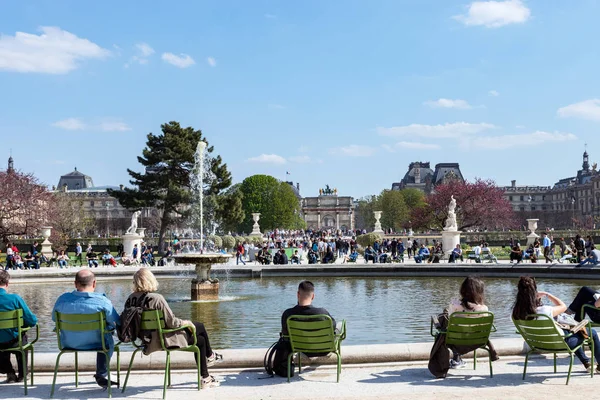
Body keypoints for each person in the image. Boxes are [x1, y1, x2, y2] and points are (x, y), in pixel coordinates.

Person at [124, 268, 221, 388]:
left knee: (200, 340)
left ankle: (206, 376)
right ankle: (210, 358)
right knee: (199, 327)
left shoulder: (130, 299)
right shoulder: (156, 298)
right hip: (161, 341)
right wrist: (187, 323)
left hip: (144, 341)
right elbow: (172, 322)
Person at [513, 276, 600, 372]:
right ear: (535, 292)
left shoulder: (515, 313)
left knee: (574, 331)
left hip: (538, 344)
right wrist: (547, 294)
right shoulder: (545, 310)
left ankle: (586, 363)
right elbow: (563, 306)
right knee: (591, 333)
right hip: (562, 344)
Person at [52, 270, 120, 388]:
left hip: (69, 343)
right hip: (98, 343)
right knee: (107, 336)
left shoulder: (62, 300)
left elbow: (54, 319)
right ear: (94, 283)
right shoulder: (102, 301)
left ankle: (102, 373)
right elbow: (116, 322)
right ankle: (102, 372)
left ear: (75, 283)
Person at [447, 277, 498, 368]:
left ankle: (454, 358)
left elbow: (449, 321)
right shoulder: (484, 309)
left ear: (462, 290)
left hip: (455, 340)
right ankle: (457, 359)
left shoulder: (454, 304)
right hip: (476, 340)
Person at [281, 281, 340, 356]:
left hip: (299, 349)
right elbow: (333, 328)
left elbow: (285, 335)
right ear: (313, 296)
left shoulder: (288, 314)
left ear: (298, 294)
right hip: (323, 349)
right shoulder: (323, 314)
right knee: (339, 326)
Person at [0, 270, 38, 383]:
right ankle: (23, 374)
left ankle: (9, 372)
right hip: (15, 340)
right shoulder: (15, 299)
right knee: (22, 340)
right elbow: (32, 320)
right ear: (7, 283)